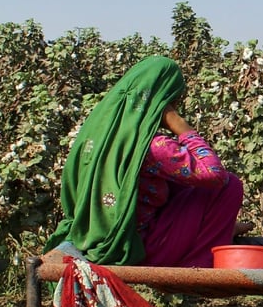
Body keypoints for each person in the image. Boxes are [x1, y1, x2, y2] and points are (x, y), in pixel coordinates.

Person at [45, 55, 244, 268]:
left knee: (180, 183)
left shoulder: (93, 137)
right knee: (229, 185)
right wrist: (182, 127)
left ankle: (220, 230)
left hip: (88, 236)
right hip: (135, 246)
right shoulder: (153, 147)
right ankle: (197, 264)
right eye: (174, 99)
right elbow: (214, 174)